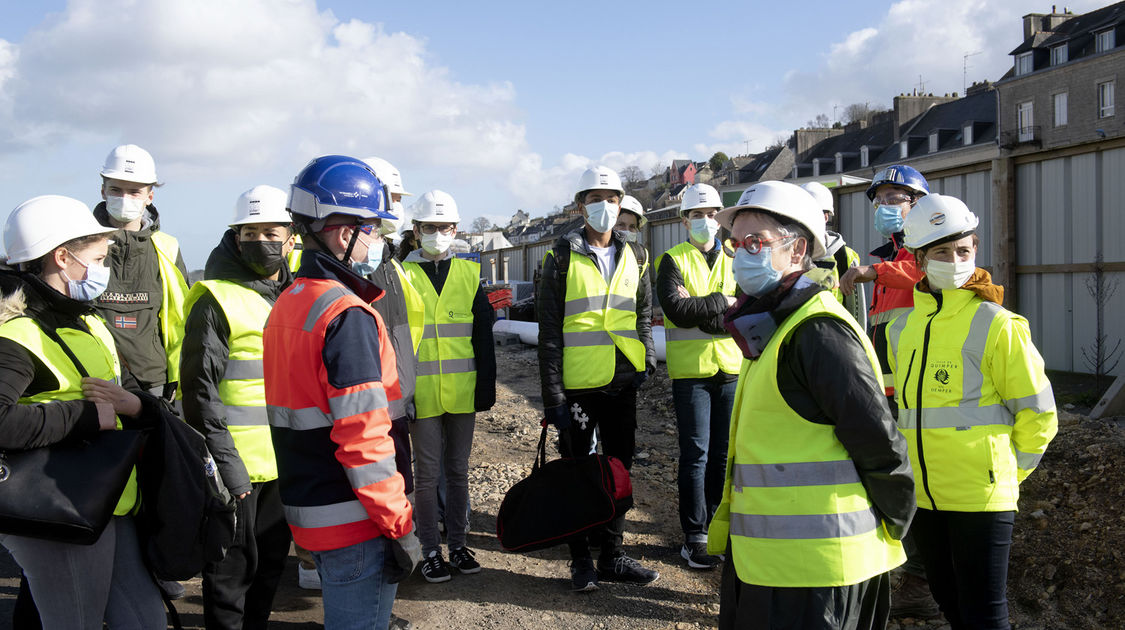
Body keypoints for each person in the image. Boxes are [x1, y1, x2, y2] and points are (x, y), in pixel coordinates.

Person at [708, 181, 915, 630]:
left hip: (820, 572)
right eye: (736, 243)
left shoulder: (817, 331)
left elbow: (879, 440)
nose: (743, 254)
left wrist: (897, 521)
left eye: (756, 242)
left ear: (798, 249)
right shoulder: (771, 326)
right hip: (772, 564)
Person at [264, 155, 421, 630]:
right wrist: (399, 525)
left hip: (313, 507)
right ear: (340, 229)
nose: (376, 240)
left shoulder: (291, 301)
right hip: (356, 518)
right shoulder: (346, 314)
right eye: (371, 228)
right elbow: (365, 439)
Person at [888, 194, 1057, 630]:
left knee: (985, 614)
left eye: (964, 250)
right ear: (919, 258)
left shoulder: (998, 323)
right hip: (923, 498)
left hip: (982, 499)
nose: (955, 259)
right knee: (948, 602)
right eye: (942, 251)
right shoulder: (901, 329)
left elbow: (1039, 413)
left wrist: (1005, 474)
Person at [0, 195, 167, 629]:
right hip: (56, 510)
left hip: (106, 501)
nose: (103, 268)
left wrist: (135, 405)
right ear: (62, 256)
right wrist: (88, 417)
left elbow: (125, 392)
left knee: (144, 620)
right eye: (97, 257)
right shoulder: (15, 336)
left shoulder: (89, 321)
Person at [537, 166, 659, 592]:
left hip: (623, 381)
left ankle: (611, 555)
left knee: (619, 470)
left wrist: (643, 360)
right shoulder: (560, 257)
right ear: (580, 206)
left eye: (612, 199)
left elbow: (642, 313)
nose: (605, 207)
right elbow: (549, 332)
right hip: (579, 386)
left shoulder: (636, 255)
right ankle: (579, 560)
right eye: (596, 199)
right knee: (579, 473)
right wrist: (552, 395)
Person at [180, 185, 296, 629]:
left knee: (269, 570)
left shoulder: (293, 295)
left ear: (290, 238)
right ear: (235, 236)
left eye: (271, 231)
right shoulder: (215, 299)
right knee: (230, 578)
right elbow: (199, 394)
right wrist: (229, 470)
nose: (261, 242)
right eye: (250, 233)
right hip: (238, 469)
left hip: (282, 464)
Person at [838, 165, 937, 618]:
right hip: (888, 387)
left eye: (896, 197)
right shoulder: (882, 258)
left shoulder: (926, 251)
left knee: (920, 481)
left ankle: (921, 580)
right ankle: (903, 571)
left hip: (923, 390)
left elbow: (918, 273)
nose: (885, 205)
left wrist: (871, 271)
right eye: (880, 199)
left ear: (917, 204)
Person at [401, 190, 496, 584]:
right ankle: (429, 551)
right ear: (416, 230)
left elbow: (482, 337)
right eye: (429, 227)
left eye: (444, 227)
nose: (437, 233)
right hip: (419, 395)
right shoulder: (400, 275)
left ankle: (457, 544)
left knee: (458, 472)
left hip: (461, 392)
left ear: (454, 229)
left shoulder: (469, 274)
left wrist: (486, 386)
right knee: (426, 476)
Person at [654, 182, 738, 570]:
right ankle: (695, 537)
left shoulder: (738, 257)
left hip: (731, 369)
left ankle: (718, 529)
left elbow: (750, 308)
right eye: (696, 215)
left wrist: (704, 309)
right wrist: (724, 303)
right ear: (684, 220)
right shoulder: (672, 260)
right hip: (692, 374)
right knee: (695, 456)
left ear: (720, 218)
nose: (704, 221)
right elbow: (676, 311)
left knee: (723, 457)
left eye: (710, 214)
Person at [92, 144, 190, 403]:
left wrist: (176, 378)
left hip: (155, 383)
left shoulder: (168, 248)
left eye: (134, 191)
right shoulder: (81, 243)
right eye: (116, 189)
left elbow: (181, 318)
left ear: (150, 196)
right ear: (103, 190)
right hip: (94, 379)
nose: (125, 198)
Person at [801, 181, 867, 330]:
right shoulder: (786, 253)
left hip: (835, 336)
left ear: (826, 217)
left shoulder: (844, 256)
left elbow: (856, 310)